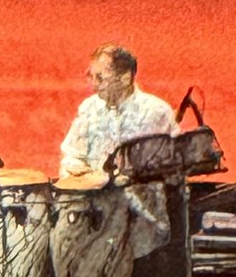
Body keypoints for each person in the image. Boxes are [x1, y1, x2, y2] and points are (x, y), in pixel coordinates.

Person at [59, 43, 179, 179]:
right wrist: (78, 171)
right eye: (90, 76)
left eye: (100, 78)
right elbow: (71, 154)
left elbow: (166, 170)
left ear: (125, 78)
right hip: (91, 194)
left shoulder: (156, 112)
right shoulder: (89, 107)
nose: (94, 85)